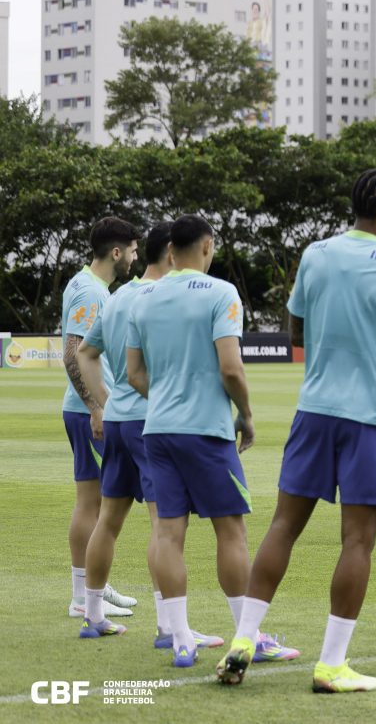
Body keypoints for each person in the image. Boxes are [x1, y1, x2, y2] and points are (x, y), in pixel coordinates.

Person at [218, 170, 376, 693]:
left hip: (315, 410)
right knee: (358, 540)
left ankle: (244, 638)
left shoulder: (317, 253)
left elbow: (297, 331)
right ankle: (331, 665)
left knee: (284, 525)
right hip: (372, 417)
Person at [126, 214, 297, 668]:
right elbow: (231, 368)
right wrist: (246, 414)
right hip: (206, 431)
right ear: (207, 246)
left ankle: (181, 638)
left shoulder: (142, 299)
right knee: (231, 531)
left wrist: (165, 397)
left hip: (158, 431)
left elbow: (133, 374)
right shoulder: (221, 293)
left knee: (167, 532)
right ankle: (248, 637)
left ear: (168, 252)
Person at [76, 222, 222, 648]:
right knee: (165, 525)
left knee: (108, 519)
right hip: (151, 420)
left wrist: (104, 402)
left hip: (119, 418)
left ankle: (93, 614)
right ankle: (169, 626)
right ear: (173, 253)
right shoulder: (164, 297)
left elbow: (86, 353)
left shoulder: (119, 297)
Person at [63, 216, 141, 621]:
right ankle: (82, 594)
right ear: (116, 252)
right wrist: (97, 405)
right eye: (131, 249)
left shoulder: (86, 284)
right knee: (93, 504)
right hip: (88, 410)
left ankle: (94, 585)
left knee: (95, 502)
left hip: (86, 407)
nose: (134, 256)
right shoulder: (93, 293)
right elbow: (73, 352)